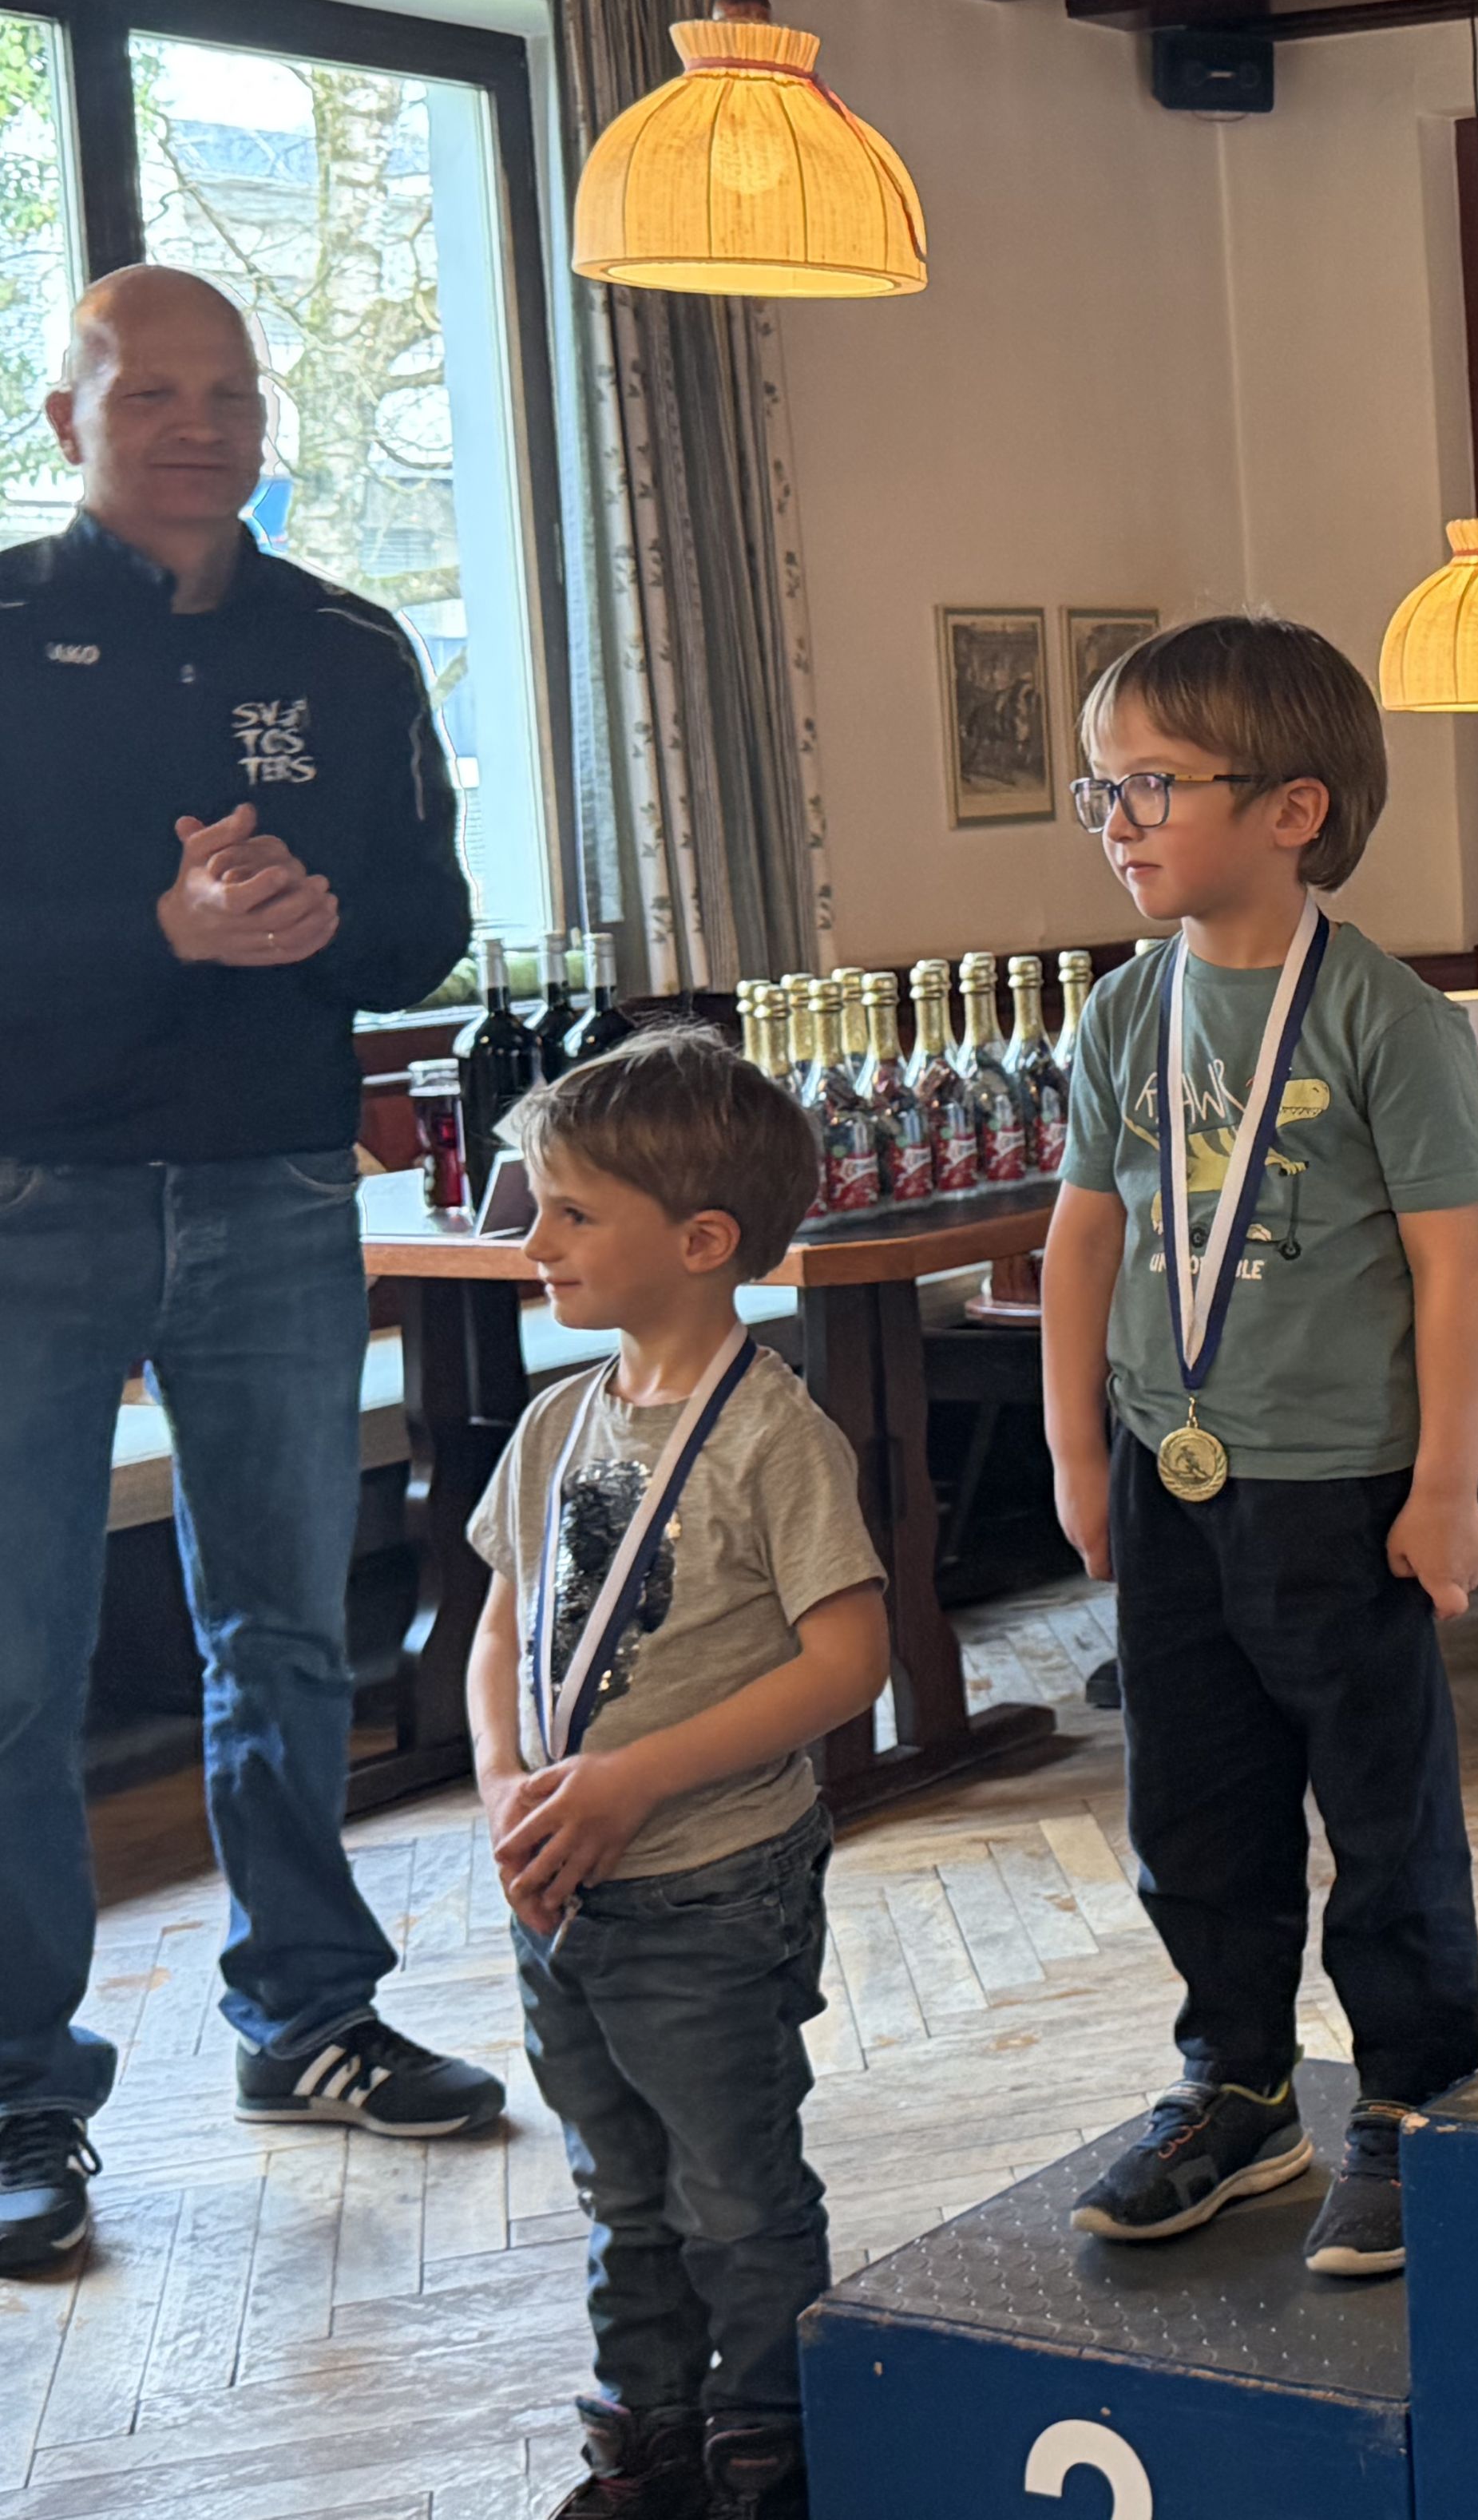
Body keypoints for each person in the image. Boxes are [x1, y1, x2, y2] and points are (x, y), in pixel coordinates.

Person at [0, 265, 499, 2282]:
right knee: (18, 1662)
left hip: (282, 1192)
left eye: (229, 390)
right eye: (151, 393)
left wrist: (316, 923)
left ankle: (310, 2014)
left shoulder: (350, 649)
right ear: (68, 418)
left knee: (287, 1628)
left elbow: (429, 929)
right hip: (32, 1202)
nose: (198, 425)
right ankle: (18, 2093)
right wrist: (160, 934)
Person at [1043, 614, 1478, 2276]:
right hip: (1173, 1477)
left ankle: (1416, 2098)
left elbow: (1451, 1272)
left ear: (1293, 809)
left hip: (1345, 1487)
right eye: (1101, 788)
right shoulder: (1123, 1015)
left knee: (1381, 1813)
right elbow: (1083, 1239)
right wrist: (1077, 1452)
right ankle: (1236, 2084)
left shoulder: (1386, 1017)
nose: (1119, 821)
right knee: (1195, 1806)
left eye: (1153, 785)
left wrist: (1445, 1486)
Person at [462, 1032, 889, 2520]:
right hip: (560, 1881)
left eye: (573, 1212)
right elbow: (501, 1621)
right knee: (617, 2184)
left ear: (703, 1242)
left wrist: (638, 1777)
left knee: (731, 2188)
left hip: (709, 1887)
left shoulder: (775, 1436)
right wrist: (501, 1777)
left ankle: (767, 2438)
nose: (537, 1239)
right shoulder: (553, 1424)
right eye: (540, 1206)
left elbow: (849, 1661)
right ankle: (646, 2427)